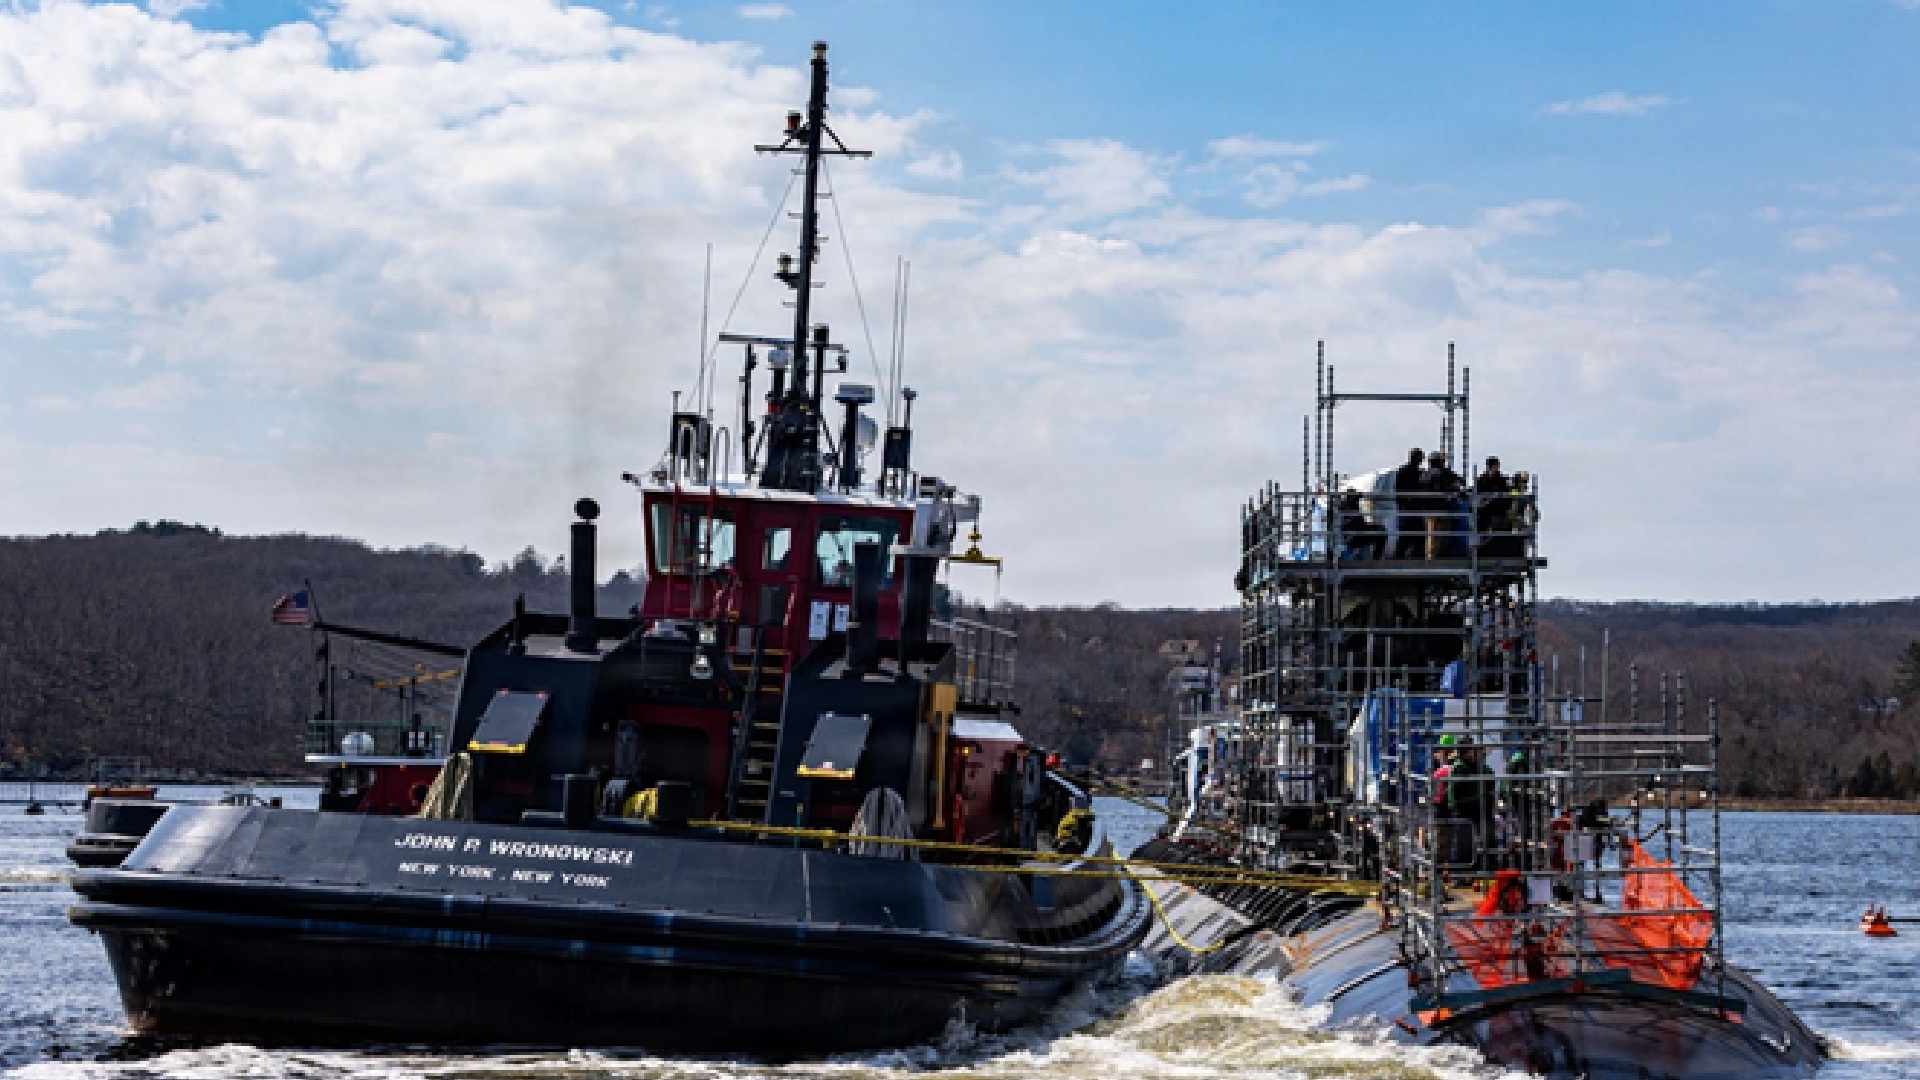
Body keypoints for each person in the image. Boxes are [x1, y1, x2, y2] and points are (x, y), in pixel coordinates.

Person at [1448, 737, 1494, 868]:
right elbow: (1458, 791)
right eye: (1471, 751)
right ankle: (1460, 872)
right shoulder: (1460, 768)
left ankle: (1481, 867)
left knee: (1482, 839)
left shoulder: (1480, 768)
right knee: (1463, 842)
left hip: (1479, 808)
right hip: (1464, 809)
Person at [1423, 451, 1465, 559]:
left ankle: (1431, 558)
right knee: (1443, 537)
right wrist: (1454, 487)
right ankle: (1439, 558)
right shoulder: (1443, 473)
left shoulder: (1425, 474)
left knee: (1431, 537)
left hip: (1428, 510)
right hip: (1443, 508)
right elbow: (1459, 481)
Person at [1475, 457, 1515, 557]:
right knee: (1481, 525)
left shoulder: (1501, 480)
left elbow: (1506, 496)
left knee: (1501, 528)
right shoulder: (1482, 479)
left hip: (1498, 510)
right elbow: (1477, 494)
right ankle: (1481, 546)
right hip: (1484, 510)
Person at [1393, 449, 1428, 558]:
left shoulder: (1404, 471)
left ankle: (1401, 557)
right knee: (1412, 535)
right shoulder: (1417, 473)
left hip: (1408, 508)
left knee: (1409, 535)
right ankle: (1410, 557)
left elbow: (1397, 490)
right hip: (1411, 508)